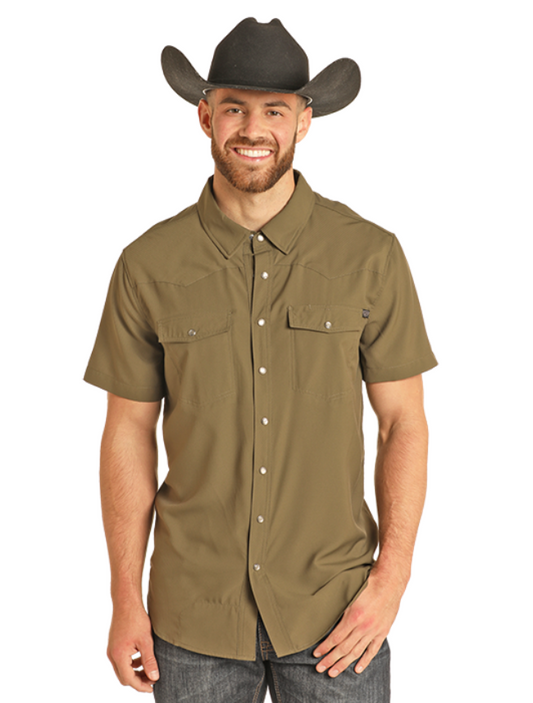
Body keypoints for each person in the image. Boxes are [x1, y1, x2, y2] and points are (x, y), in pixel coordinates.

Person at [84, 17, 437, 703]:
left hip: (338, 614)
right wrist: (125, 596)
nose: (253, 129)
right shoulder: (146, 264)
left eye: (274, 110)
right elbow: (127, 430)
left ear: (304, 120)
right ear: (205, 116)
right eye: (234, 108)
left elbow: (404, 424)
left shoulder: (370, 255)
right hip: (191, 617)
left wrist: (390, 582)